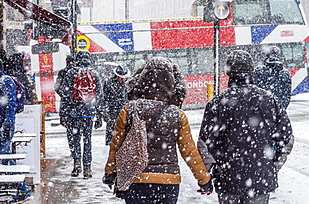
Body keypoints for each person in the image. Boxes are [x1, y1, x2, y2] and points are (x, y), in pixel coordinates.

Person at [103, 57, 212, 203]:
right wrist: (203, 179)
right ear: (172, 83)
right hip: (168, 181)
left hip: (136, 179)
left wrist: (110, 172)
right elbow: (189, 151)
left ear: (142, 80)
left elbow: (115, 146)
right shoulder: (177, 115)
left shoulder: (129, 110)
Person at [198, 50, 293, 204]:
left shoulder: (217, 103)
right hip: (260, 180)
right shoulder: (269, 100)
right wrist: (272, 165)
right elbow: (286, 138)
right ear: (251, 70)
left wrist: (209, 173)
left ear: (229, 72)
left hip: (228, 179)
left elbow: (205, 145)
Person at [59, 50, 104, 178]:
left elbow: (65, 95)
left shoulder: (71, 73)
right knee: (87, 140)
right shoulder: (94, 73)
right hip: (89, 113)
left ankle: (77, 163)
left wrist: (63, 113)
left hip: (74, 113)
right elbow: (100, 96)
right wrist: (99, 115)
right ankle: (88, 169)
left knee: (76, 138)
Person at [0, 59, 34, 203]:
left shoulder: (5, 81)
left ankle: (23, 190)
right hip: (3, 124)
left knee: (4, 158)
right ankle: (22, 190)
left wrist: (7, 125)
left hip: (4, 126)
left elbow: (11, 104)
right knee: (5, 157)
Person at [102, 64, 130, 145]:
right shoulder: (108, 82)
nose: (122, 79)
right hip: (112, 111)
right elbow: (104, 98)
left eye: (124, 78)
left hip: (125, 111)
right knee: (111, 134)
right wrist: (105, 111)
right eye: (121, 77)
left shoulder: (128, 83)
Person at [54, 55, 75, 127]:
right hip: (77, 103)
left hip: (65, 103)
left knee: (69, 128)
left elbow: (56, 87)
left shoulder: (62, 72)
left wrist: (63, 95)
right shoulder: (78, 72)